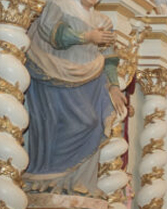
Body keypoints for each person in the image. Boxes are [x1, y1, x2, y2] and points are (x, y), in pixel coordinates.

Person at [25, 0, 129, 196]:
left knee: (94, 123)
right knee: (59, 123)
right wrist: (88, 36)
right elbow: (52, 33)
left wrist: (115, 86)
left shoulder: (103, 20)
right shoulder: (59, 4)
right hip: (54, 72)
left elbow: (109, 56)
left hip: (90, 79)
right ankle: (48, 180)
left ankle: (78, 183)